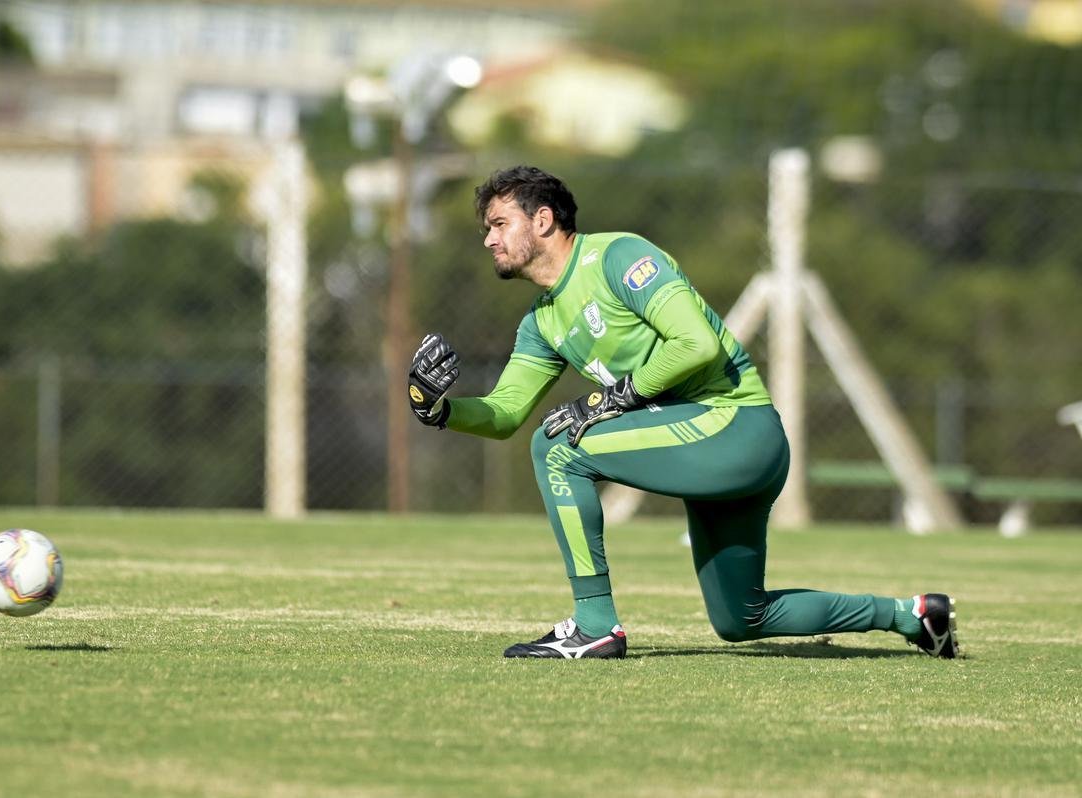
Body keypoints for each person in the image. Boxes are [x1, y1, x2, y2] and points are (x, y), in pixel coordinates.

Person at [407, 165, 959, 660]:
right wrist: (439, 410)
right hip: (711, 446)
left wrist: (610, 397)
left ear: (544, 220)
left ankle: (595, 625)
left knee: (556, 447)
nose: (488, 239)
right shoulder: (542, 321)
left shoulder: (619, 256)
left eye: (500, 223)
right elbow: (504, 414)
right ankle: (914, 617)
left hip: (737, 429)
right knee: (742, 619)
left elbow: (697, 345)